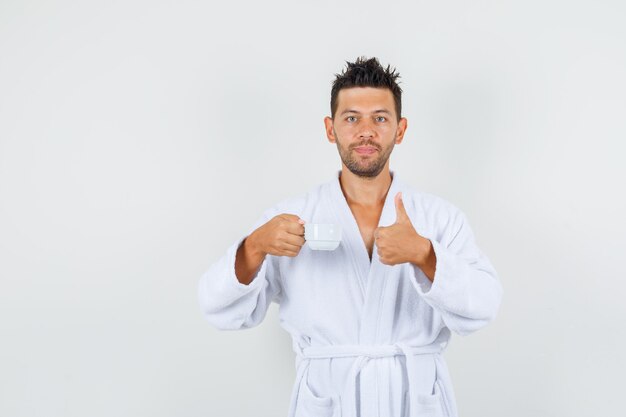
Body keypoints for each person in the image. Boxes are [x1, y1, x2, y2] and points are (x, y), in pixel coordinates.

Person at [198, 56, 503, 417]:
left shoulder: (439, 219)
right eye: (351, 118)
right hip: (329, 401)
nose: (366, 131)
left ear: (400, 129)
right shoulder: (290, 219)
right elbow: (217, 309)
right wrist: (254, 247)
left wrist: (425, 254)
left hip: (414, 401)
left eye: (380, 118)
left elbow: (484, 306)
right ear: (331, 129)